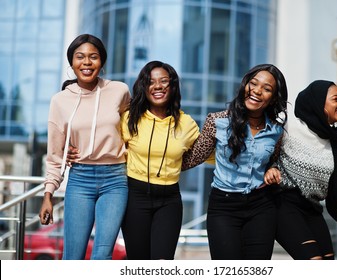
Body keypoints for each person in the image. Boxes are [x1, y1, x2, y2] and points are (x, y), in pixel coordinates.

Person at [263, 80, 337, 260]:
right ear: (317, 103)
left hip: (312, 208)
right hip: (283, 204)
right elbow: (266, 156)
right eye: (336, 99)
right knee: (314, 261)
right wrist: (271, 169)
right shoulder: (290, 128)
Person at [181, 64, 288, 259]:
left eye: (267, 89)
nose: (257, 91)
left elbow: (274, 161)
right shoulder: (217, 121)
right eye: (253, 84)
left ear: (273, 98)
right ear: (244, 85)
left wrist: (273, 169)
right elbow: (194, 157)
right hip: (224, 206)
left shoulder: (276, 131)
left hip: (261, 206)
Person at [39, 34, 130, 260]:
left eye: (93, 57)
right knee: (73, 256)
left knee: (102, 254)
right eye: (80, 57)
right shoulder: (60, 101)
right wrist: (48, 194)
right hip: (80, 179)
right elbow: (55, 154)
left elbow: (133, 129)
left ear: (102, 62)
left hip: (115, 179)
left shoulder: (119, 90)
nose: (87, 62)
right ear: (72, 62)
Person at [119, 60, 201, 260]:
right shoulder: (129, 119)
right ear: (144, 87)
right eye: (151, 81)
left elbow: (210, 154)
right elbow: (107, 146)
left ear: (172, 86)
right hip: (134, 197)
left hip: (169, 201)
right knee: (138, 263)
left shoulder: (187, 124)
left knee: (162, 263)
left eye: (164, 81)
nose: (157, 86)